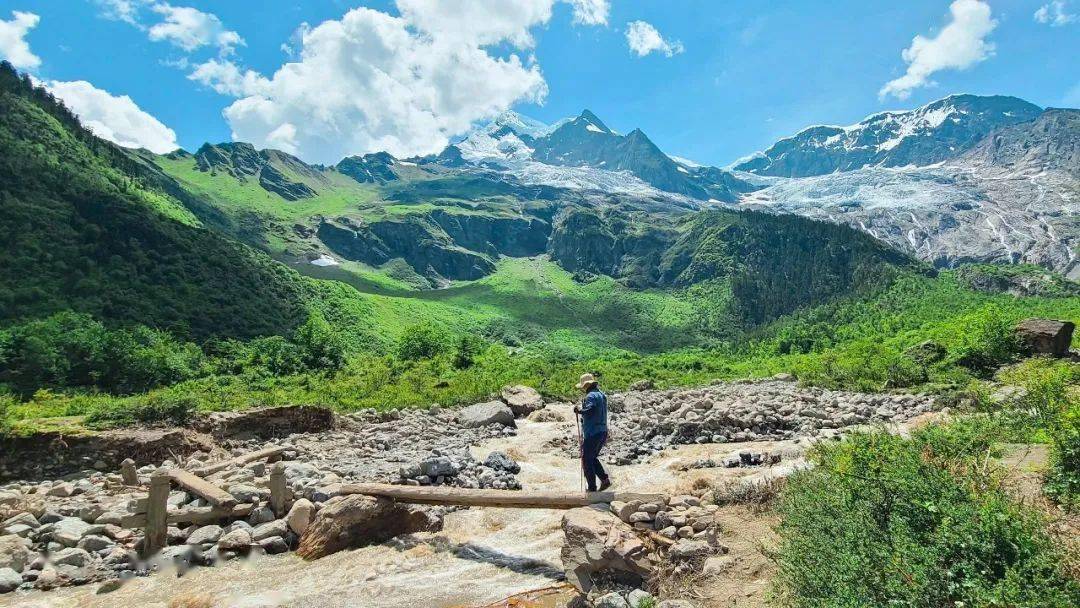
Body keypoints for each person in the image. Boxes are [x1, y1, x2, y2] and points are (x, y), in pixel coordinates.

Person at [573, 373, 611, 492]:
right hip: (602, 431)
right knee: (592, 457)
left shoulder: (590, 396)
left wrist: (579, 411)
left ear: (586, 386)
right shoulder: (601, 394)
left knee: (586, 459)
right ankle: (605, 480)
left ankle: (592, 489)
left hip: (593, 432)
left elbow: (590, 409)